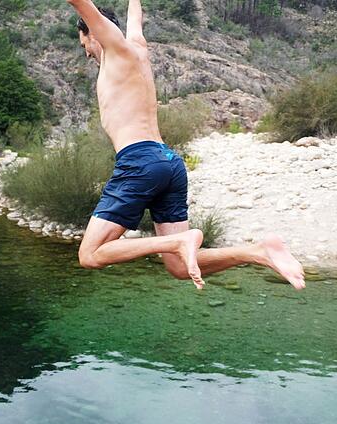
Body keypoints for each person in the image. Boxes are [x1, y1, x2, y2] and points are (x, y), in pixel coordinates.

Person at [66, 0, 305, 290]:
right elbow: (135, 19)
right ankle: (258, 252)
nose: (86, 53)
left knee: (90, 254)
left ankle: (179, 241)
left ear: (93, 32)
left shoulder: (115, 48)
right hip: (168, 162)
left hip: (140, 162)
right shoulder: (137, 48)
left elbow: (80, 3)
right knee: (179, 268)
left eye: (84, 44)